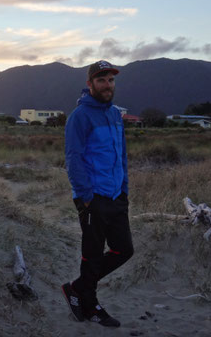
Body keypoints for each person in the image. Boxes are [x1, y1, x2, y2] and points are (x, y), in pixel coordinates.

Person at [61, 60, 133, 328]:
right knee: (92, 254)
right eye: (101, 80)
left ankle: (78, 287)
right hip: (93, 198)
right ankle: (91, 306)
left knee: (123, 250)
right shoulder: (79, 116)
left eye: (111, 80)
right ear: (90, 84)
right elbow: (74, 158)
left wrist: (124, 189)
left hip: (116, 197)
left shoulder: (115, 114)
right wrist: (86, 197)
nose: (107, 84)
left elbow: (121, 155)